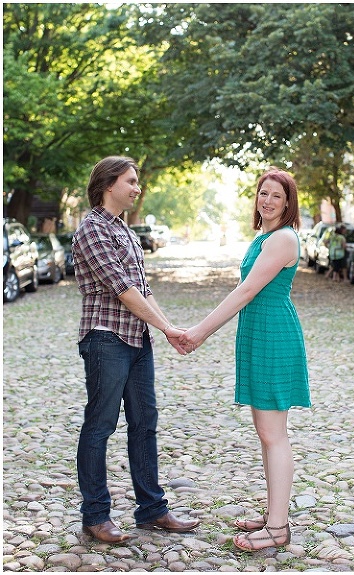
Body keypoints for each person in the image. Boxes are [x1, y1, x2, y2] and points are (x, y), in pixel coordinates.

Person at [178, 167, 311, 552]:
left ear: (288, 204)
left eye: (276, 196)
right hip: (258, 333)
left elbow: (246, 290)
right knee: (266, 434)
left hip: (273, 336)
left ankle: (278, 528)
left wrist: (200, 331)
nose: (267, 201)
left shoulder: (284, 239)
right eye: (263, 194)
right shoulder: (266, 236)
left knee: (274, 434)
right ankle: (273, 516)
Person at [72, 156, 201, 543]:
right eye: (130, 181)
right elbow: (123, 290)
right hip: (105, 339)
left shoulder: (124, 230)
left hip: (137, 340)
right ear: (109, 184)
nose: (136, 188)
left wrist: (167, 330)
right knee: (100, 425)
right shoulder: (91, 229)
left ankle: (152, 510)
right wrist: (165, 327)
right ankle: (95, 516)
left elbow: (143, 290)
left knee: (144, 424)